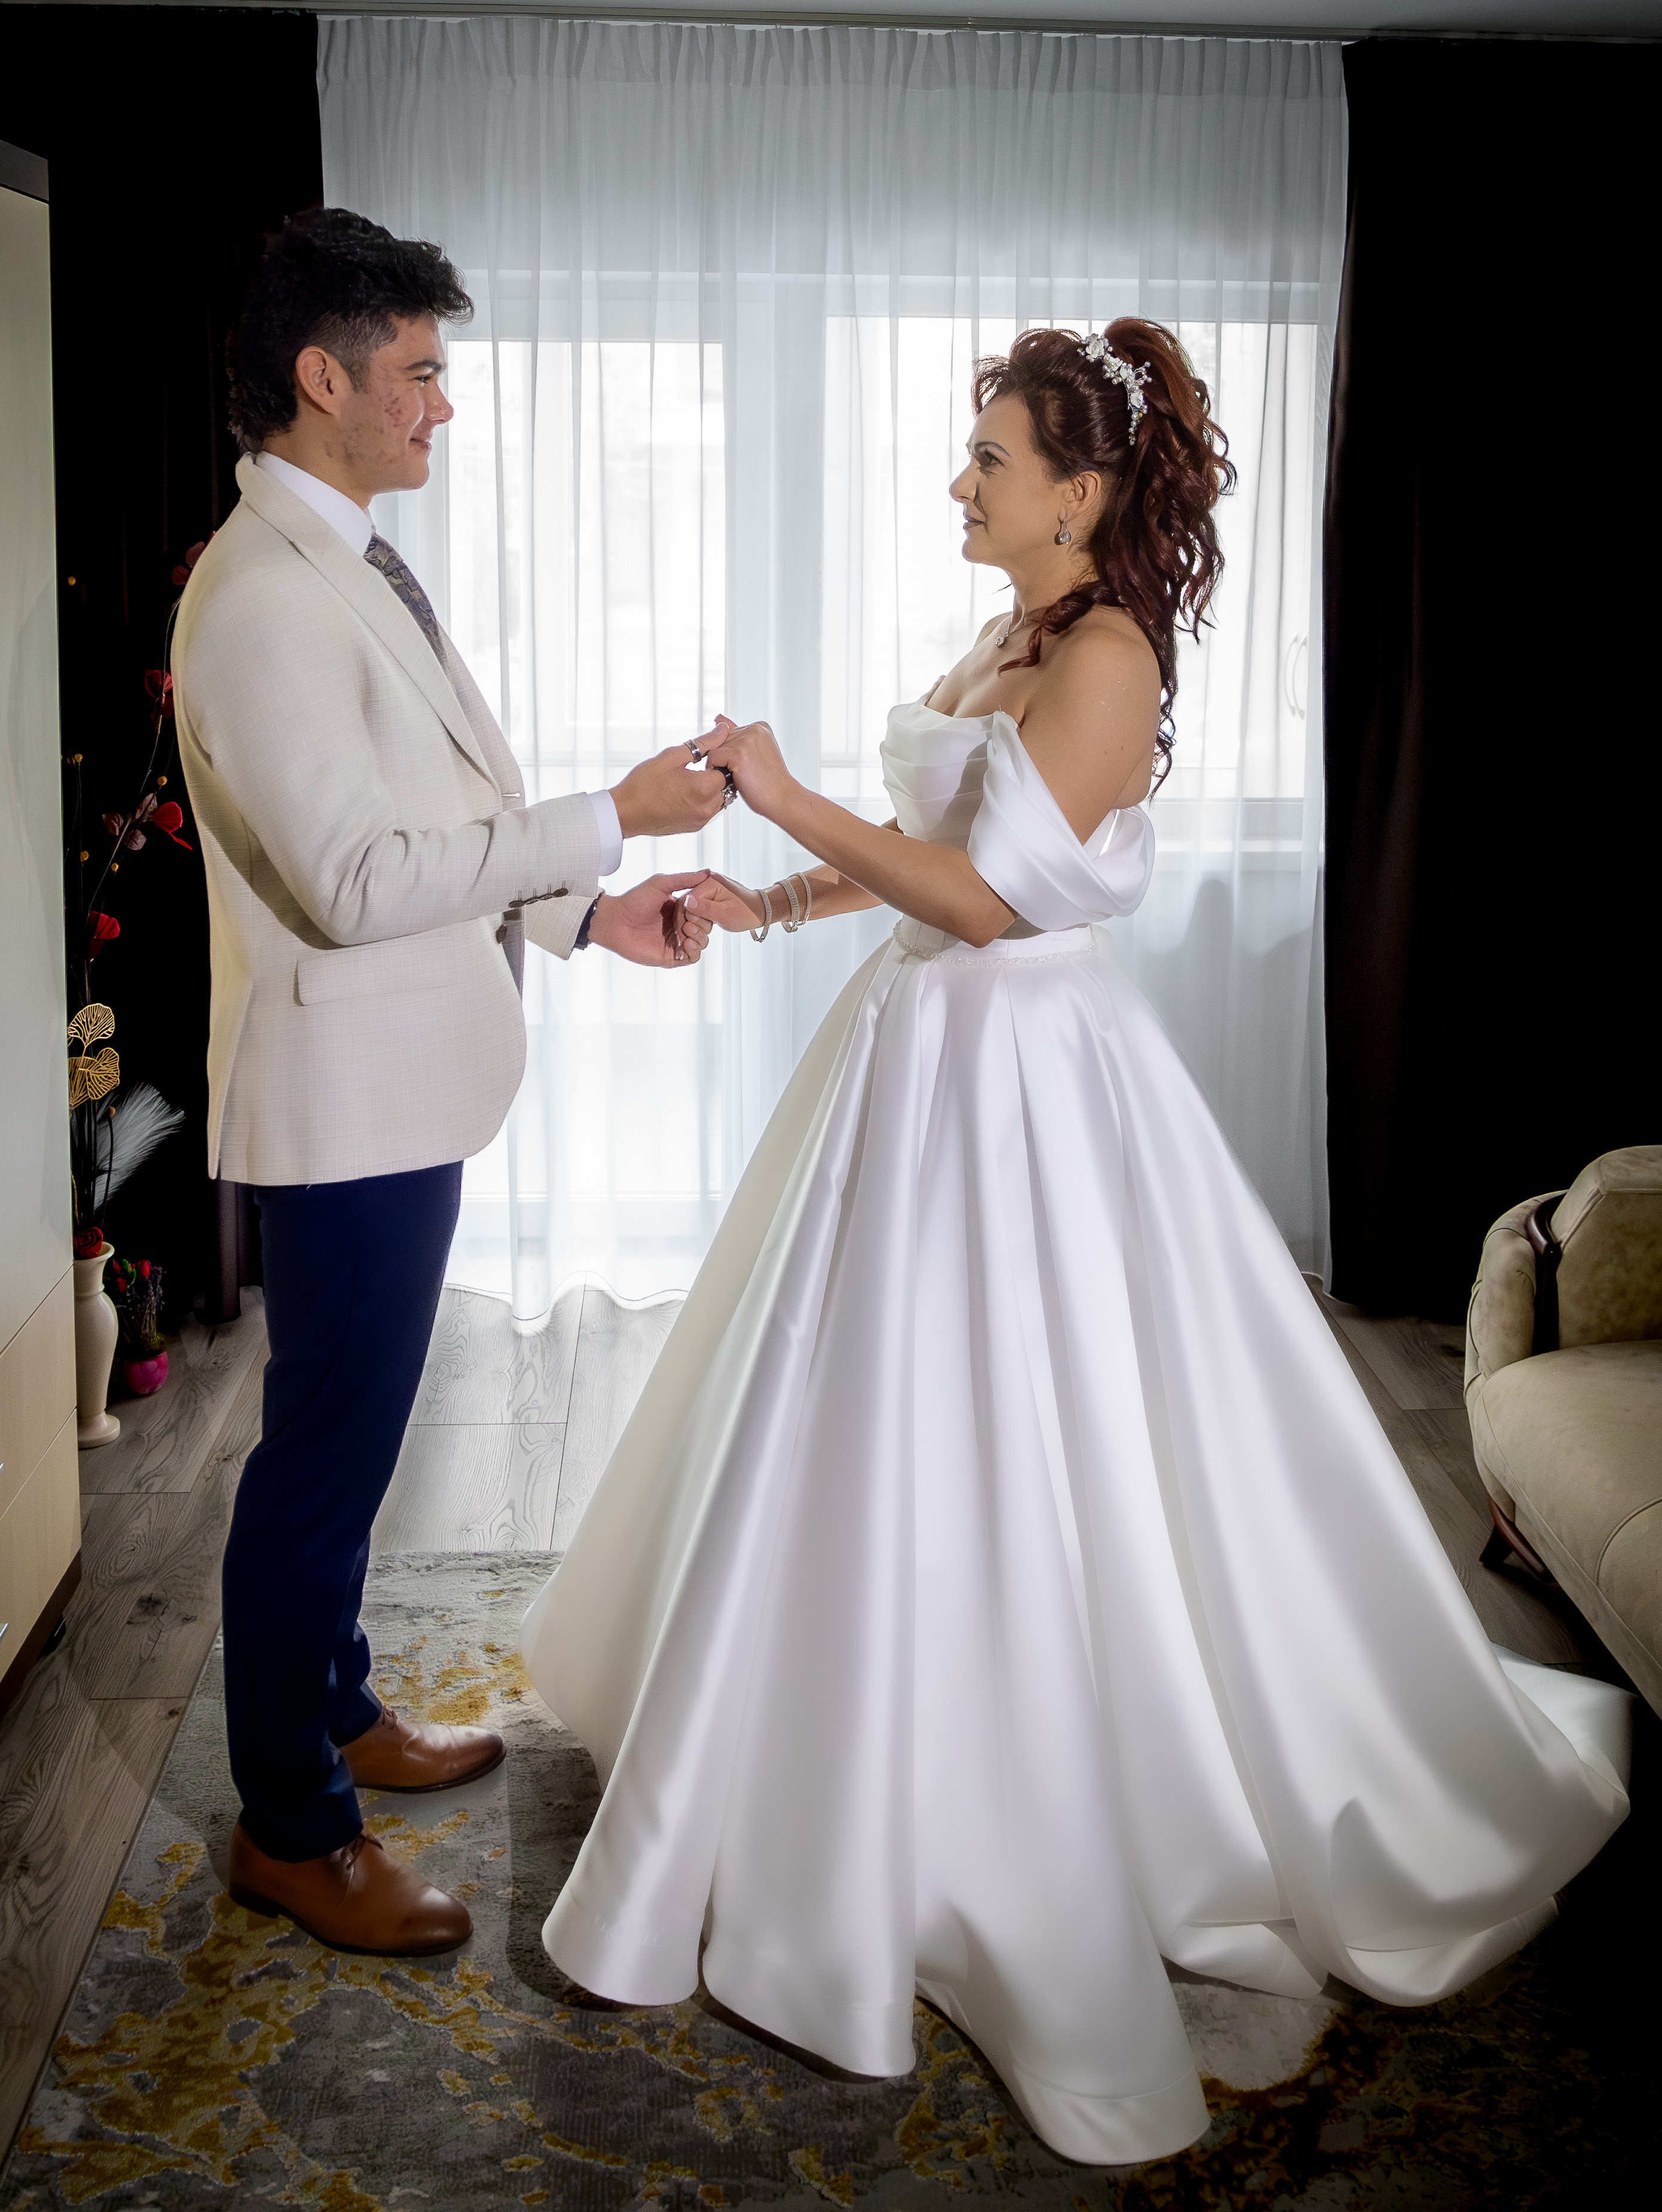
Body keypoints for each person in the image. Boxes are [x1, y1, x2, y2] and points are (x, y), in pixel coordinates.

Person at [518, 322, 1631, 2163]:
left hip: (1026, 1077)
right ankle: (821, 1738)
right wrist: (768, 896)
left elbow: (990, 899)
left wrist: (782, 794)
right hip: (915, 1054)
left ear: (1082, 490)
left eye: (991, 457)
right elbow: (924, 845)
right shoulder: (1005, 635)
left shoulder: (1111, 656)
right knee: (850, 1417)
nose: (960, 482)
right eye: (970, 452)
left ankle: (1043, 1778)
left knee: (1047, 1434)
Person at [172, 210, 732, 1958]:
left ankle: (336, 1707)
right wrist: (610, 817)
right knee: (322, 1463)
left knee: (350, 1439)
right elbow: (354, 882)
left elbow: (438, 811)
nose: (442, 404)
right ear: (322, 378)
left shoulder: (344, 561)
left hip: (401, 1091)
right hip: (347, 1107)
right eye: (418, 371)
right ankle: (293, 1826)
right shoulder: (262, 598)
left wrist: (585, 912)